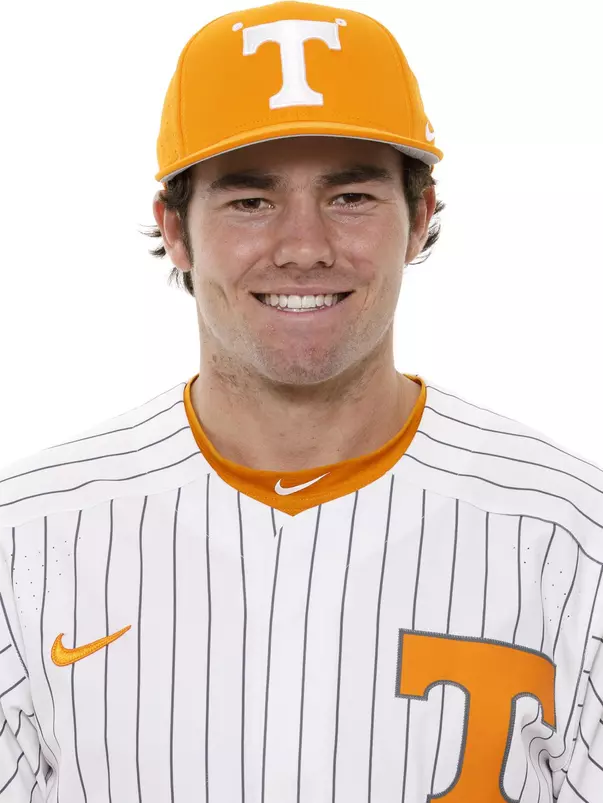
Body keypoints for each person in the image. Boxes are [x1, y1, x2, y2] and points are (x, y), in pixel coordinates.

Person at [1, 1, 602, 800]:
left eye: (349, 196)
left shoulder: (568, 537)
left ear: (418, 217)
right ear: (175, 230)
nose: (304, 246)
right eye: (249, 200)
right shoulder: (27, 540)